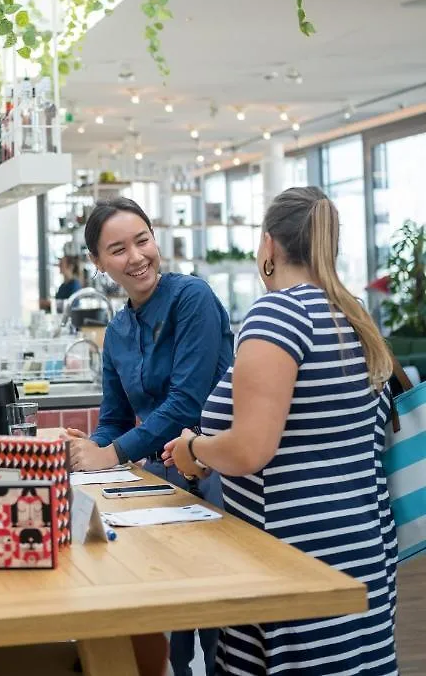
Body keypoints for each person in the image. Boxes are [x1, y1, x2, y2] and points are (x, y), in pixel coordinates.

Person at [164, 186, 398, 676]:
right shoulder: (351, 314)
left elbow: (250, 447)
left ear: (268, 246)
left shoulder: (279, 314)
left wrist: (194, 449)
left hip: (293, 555)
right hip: (360, 548)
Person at [64, 196, 234, 676]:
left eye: (142, 241)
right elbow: (116, 418)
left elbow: (186, 404)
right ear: (98, 263)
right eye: (118, 249)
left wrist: (110, 454)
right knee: (166, 606)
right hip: (161, 487)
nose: (136, 257)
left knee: (214, 619)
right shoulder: (117, 330)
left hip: (215, 476)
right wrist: (88, 451)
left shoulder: (192, 299)